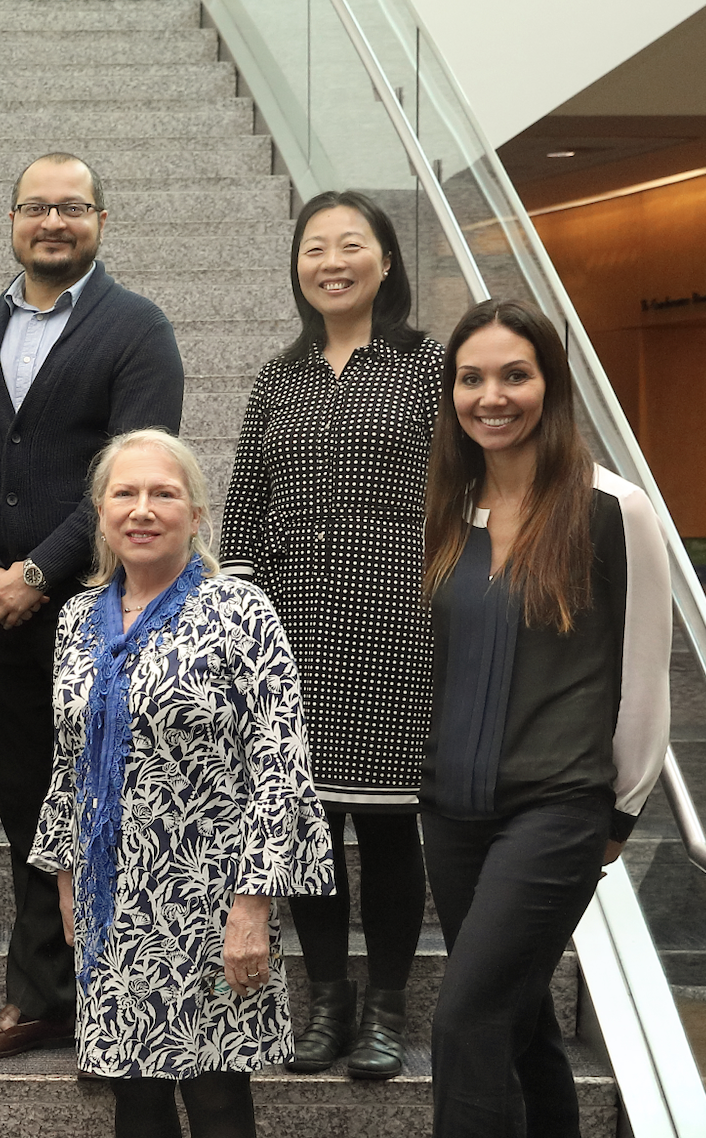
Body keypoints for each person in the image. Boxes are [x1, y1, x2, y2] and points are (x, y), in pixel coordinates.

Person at [28, 428, 333, 1138]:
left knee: (216, 1088)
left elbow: (280, 762)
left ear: (197, 513)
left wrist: (254, 905)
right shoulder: (78, 621)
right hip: (114, 896)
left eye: (163, 493)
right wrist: (62, 875)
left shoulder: (239, 610)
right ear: (101, 514)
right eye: (125, 494)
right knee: (134, 1087)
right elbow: (69, 754)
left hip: (212, 892)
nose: (143, 509)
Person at [0, 151, 186, 1060]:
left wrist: (38, 572)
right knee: (27, 803)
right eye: (37, 206)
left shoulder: (138, 330)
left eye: (73, 207)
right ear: (12, 220)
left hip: (106, 610)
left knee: (117, 795)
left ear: (100, 221)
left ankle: (124, 994)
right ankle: (40, 995)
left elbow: (133, 468)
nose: (53, 222)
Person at [418, 299, 668, 1138]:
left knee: (465, 1022)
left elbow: (644, 676)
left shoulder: (613, 510)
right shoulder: (448, 506)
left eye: (514, 376)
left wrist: (620, 813)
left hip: (558, 808)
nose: (492, 397)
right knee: (518, 1034)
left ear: (550, 385)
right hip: (453, 808)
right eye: (472, 378)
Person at [216, 190, 442, 1079]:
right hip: (294, 632)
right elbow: (243, 510)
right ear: (297, 266)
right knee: (304, 825)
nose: (333, 262)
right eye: (316, 248)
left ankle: (385, 1007)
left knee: (387, 831)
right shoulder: (278, 379)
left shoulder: (429, 366)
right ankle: (326, 1003)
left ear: (386, 262)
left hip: (399, 627)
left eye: (353, 245)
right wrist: (242, 623)